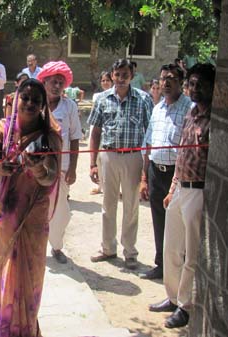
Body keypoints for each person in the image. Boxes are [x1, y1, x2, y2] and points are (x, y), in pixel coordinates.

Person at [0, 78, 62, 337]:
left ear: (42, 105)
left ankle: (25, 329)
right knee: (2, 274)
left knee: (30, 273)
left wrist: (38, 170)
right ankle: (1, 328)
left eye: (35, 100)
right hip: (3, 212)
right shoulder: (0, 128)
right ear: (16, 99)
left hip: (33, 216)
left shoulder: (50, 136)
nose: (29, 103)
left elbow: (52, 176)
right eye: (24, 98)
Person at [148, 64, 215, 329]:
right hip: (180, 189)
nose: (196, 89)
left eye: (201, 84)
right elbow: (182, 154)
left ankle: (185, 305)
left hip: (198, 192)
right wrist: (173, 187)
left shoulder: (215, 121)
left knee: (190, 253)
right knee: (171, 248)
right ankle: (172, 296)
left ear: (212, 87)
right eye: (193, 84)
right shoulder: (190, 114)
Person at [88, 59, 153, 270]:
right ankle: (108, 248)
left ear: (132, 75)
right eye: (118, 74)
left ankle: (130, 252)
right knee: (108, 205)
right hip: (108, 156)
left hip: (133, 157)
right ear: (112, 75)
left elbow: (149, 135)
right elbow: (95, 132)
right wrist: (93, 163)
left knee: (131, 206)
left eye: (126, 74)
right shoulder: (102, 99)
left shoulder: (143, 99)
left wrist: (146, 169)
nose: (121, 77)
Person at [139, 64, 192, 280]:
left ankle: (178, 271)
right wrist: (144, 177)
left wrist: (176, 183)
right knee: (159, 220)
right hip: (155, 171)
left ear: (181, 82)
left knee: (178, 225)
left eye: (171, 78)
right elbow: (148, 144)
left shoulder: (189, 108)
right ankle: (161, 265)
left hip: (177, 175)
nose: (166, 82)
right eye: (163, 78)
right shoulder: (157, 108)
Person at [37, 61, 82, 264]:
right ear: (44, 82)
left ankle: (56, 247)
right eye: (53, 81)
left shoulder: (69, 106)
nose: (57, 86)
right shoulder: (34, 103)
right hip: (36, 167)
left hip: (61, 168)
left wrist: (72, 168)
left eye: (61, 82)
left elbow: (74, 137)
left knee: (61, 211)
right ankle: (36, 246)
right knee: (36, 208)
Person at [90, 71, 113, 195]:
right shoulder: (97, 96)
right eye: (103, 80)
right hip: (96, 127)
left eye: (107, 80)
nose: (105, 83)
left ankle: (109, 187)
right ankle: (100, 186)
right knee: (97, 157)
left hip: (107, 131)